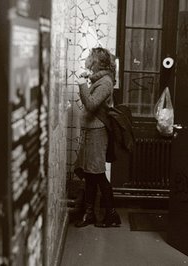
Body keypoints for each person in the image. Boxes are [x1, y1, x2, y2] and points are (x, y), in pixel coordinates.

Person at [74, 47, 121, 228]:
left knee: (98, 174)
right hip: (90, 132)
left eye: (89, 57)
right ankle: (89, 214)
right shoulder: (98, 79)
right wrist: (86, 80)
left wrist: (81, 84)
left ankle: (111, 214)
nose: (86, 59)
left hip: (97, 133)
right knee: (90, 175)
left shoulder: (106, 83)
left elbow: (92, 105)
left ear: (96, 62)